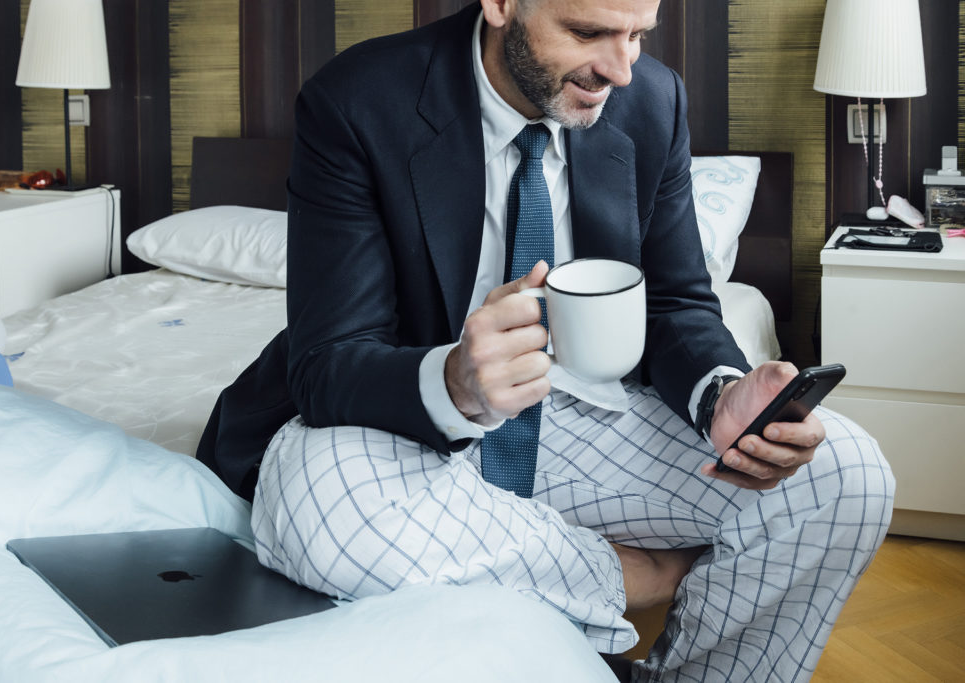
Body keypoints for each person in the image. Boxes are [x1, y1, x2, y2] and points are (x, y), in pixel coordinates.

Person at [197, 0, 894, 679]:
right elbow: (328, 360)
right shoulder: (357, 99)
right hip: (407, 424)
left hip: (581, 415)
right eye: (589, 31)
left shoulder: (653, 100)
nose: (620, 69)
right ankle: (632, 576)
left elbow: (678, 303)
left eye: (639, 36)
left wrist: (721, 395)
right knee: (324, 504)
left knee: (852, 474)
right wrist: (456, 380)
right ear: (501, 5)